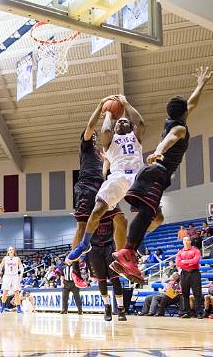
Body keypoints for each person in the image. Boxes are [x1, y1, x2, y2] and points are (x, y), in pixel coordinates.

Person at [110, 66, 213, 283]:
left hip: (152, 174)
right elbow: (171, 139)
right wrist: (158, 151)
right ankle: (127, 252)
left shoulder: (174, 121)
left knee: (158, 217)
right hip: (156, 172)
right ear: (184, 113)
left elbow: (192, 103)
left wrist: (200, 84)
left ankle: (131, 252)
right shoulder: (180, 129)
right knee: (148, 212)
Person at [69, 94, 146, 261]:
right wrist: (108, 111)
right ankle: (76, 262)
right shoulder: (91, 144)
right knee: (84, 222)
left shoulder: (105, 152)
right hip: (89, 185)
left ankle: (124, 255)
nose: (94, 136)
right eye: (120, 121)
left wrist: (106, 164)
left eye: (126, 121)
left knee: (123, 220)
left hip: (124, 179)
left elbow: (139, 123)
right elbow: (100, 129)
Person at [69, 95, 127, 286]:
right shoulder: (85, 147)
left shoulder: (99, 154)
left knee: (119, 217)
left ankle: (121, 258)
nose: (93, 135)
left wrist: (106, 164)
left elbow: (102, 174)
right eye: (91, 134)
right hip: (85, 186)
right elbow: (91, 126)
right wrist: (101, 105)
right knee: (82, 226)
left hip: (101, 186)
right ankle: (75, 270)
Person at [86, 215, 127, 321]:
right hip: (94, 249)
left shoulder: (112, 212)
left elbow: (121, 226)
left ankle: (121, 309)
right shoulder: (90, 214)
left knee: (115, 279)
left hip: (109, 246)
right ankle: (107, 307)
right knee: (102, 280)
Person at [176, 236, 203, 318]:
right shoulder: (180, 252)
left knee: (197, 293)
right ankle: (186, 312)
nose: (187, 241)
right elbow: (178, 263)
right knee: (185, 294)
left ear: (190, 241)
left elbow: (196, 261)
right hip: (184, 273)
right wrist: (189, 263)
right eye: (185, 240)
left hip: (195, 273)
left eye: (188, 240)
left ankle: (198, 313)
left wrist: (185, 262)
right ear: (183, 242)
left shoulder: (196, 250)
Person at [0, 246, 24, 313]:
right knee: (5, 292)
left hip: (15, 276)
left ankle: (18, 308)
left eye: (12, 249)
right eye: (10, 249)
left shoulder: (17, 258)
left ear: (14, 251)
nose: (11, 250)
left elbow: (21, 267)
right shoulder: (5, 258)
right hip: (7, 276)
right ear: (8, 251)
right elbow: (0, 267)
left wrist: (21, 274)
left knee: (16, 292)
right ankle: (2, 306)